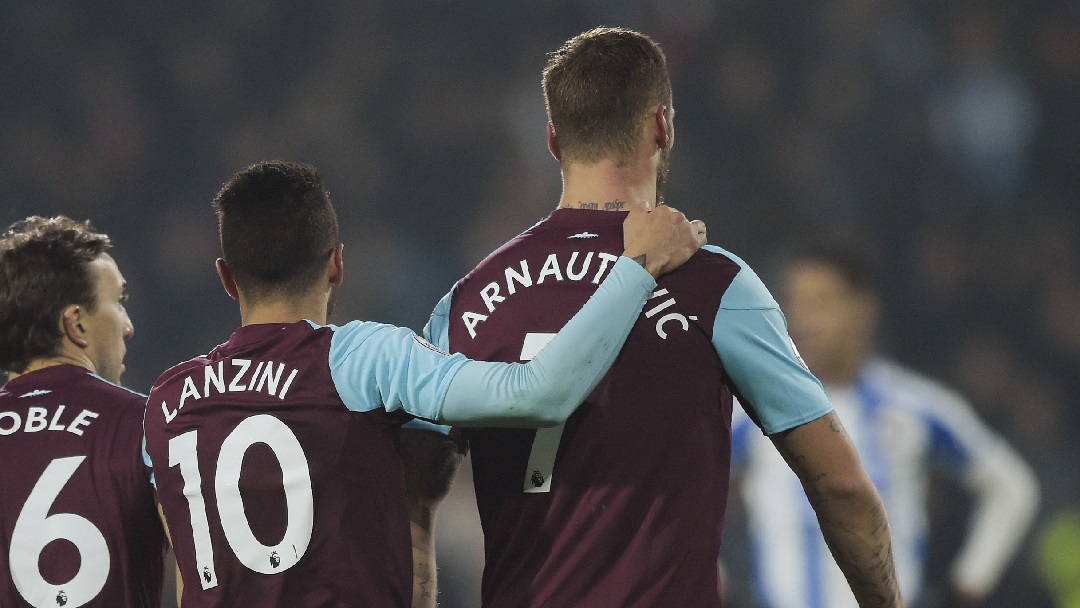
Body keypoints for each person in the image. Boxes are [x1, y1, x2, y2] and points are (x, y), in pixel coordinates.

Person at [423, 26, 904, 608]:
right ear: (661, 125)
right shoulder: (713, 286)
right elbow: (843, 485)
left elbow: (407, 497)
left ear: (554, 139)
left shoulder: (467, 302)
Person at [141, 160, 704, 608]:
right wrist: (636, 267)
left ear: (225, 277)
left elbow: (189, 577)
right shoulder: (363, 358)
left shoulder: (167, 404)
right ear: (337, 265)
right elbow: (539, 393)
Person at [729, 239, 1040, 608]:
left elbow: (1012, 488)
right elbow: (670, 488)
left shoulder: (916, 406)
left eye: (822, 302)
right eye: (797, 303)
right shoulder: (750, 407)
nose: (804, 320)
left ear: (864, 308)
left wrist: (968, 584)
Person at [0, 216, 166, 607]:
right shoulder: (147, 424)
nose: (127, 327)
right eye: (119, 303)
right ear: (76, 324)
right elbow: (203, 574)